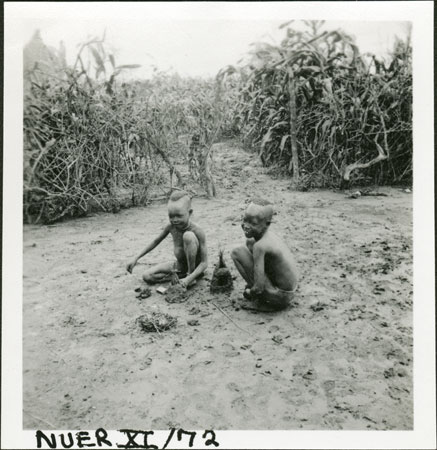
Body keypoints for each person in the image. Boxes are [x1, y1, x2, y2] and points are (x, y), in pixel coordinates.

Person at [126, 190, 208, 288]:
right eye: (171, 216)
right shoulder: (171, 227)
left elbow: (204, 263)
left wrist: (189, 278)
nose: (174, 220)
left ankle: (191, 276)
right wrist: (136, 258)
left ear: (190, 213)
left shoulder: (197, 230)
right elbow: (155, 241)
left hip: (194, 269)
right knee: (147, 276)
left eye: (179, 216)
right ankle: (177, 278)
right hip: (179, 266)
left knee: (188, 236)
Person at [231, 199, 298, 311]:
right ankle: (265, 289)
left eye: (253, 223)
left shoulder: (260, 246)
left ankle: (265, 304)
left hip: (281, 297)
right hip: (290, 290)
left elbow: (258, 288)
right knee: (250, 242)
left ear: (267, 224)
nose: (246, 226)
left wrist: (251, 293)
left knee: (237, 252)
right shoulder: (269, 236)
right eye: (245, 220)